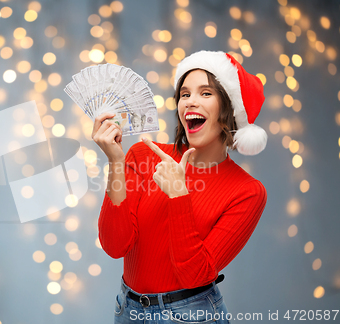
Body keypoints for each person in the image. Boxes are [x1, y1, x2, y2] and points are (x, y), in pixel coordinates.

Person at [91, 50, 268, 323]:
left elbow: (194, 275)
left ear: (228, 109)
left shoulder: (247, 192)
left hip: (190, 315)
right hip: (128, 309)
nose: (190, 102)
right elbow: (115, 246)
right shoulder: (143, 155)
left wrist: (178, 194)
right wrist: (116, 161)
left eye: (206, 93)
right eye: (185, 94)